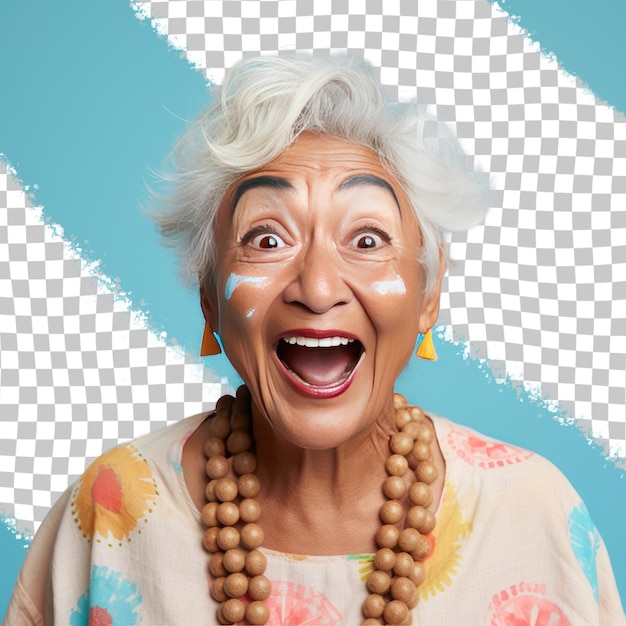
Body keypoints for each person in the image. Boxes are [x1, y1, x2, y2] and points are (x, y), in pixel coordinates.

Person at [5, 54, 624, 626]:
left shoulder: (532, 513)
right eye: (268, 239)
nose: (319, 286)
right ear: (209, 298)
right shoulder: (111, 514)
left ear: (428, 293)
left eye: (367, 239)